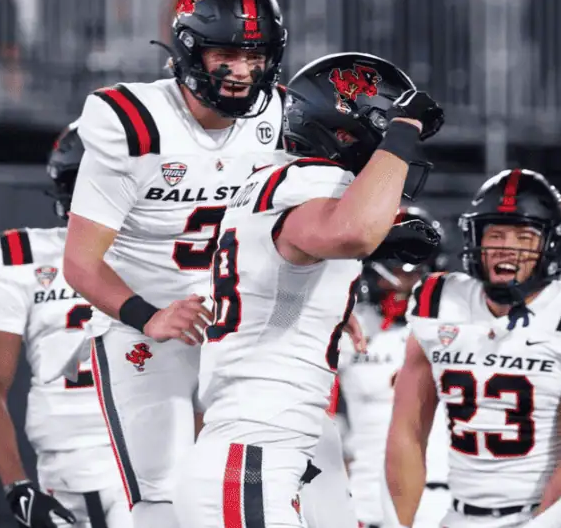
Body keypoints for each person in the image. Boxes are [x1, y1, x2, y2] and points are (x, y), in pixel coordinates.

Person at [173, 52, 444, 528]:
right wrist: (402, 130)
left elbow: (282, 275)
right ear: (346, 132)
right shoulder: (312, 179)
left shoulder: (273, 182)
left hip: (282, 446)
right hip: (257, 453)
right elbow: (353, 231)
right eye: (379, 134)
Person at [58, 0, 287, 527]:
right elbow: (80, 261)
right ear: (189, 49)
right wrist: (148, 314)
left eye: (255, 56)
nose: (243, 72)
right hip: (145, 323)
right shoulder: (133, 123)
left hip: (235, 324)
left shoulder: (277, 116)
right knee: (161, 495)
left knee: (263, 482)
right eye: (227, 54)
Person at [385, 169, 561, 528]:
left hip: (554, 516)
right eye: (496, 234)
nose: (507, 247)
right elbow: (406, 433)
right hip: (460, 517)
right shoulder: (437, 301)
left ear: (550, 244)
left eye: (524, 236)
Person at [0, 123, 132, 528]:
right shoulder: (24, 255)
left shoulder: (173, 251)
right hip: (82, 463)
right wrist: (17, 486)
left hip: (145, 454)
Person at [337, 205, 453, 528]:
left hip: (438, 500)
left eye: (414, 271)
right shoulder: (349, 325)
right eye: (395, 270)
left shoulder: (456, 326)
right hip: (362, 501)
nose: (403, 283)